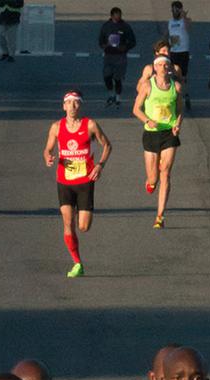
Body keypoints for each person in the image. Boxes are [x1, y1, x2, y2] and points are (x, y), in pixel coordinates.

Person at [43, 90, 111, 278]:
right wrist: (48, 157)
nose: (72, 107)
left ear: (80, 106)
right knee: (67, 221)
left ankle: (82, 221)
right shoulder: (56, 127)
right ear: (63, 106)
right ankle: (77, 263)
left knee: (83, 227)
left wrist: (100, 165)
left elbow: (107, 145)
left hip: (85, 181)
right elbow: (47, 149)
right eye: (69, 103)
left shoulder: (90, 125)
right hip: (64, 181)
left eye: (76, 103)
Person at [133, 55, 183, 229]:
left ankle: (160, 216)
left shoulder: (176, 87)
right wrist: (147, 120)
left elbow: (180, 109)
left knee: (166, 173)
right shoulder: (148, 86)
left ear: (169, 68)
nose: (163, 67)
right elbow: (136, 109)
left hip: (169, 133)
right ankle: (150, 182)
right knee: (154, 177)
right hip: (151, 133)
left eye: (165, 65)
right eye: (159, 64)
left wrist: (177, 124)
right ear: (154, 67)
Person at [99, 7, 136, 108]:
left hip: (120, 56)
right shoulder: (106, 26)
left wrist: (125, 47)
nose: (118, 17)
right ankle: (111, 94)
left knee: (117, 78)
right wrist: (105, 45)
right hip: (109, 56)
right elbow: (100, 41)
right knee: (107, 76)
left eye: (119, 15)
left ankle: (118, 97)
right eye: (116, 15)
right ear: (111, 16)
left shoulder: (125, 27)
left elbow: (133, 41)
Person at [167, 0, 193, 110]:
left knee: (182, 76)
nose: (174, 11)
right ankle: (173, 97)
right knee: (172, 75)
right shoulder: (170, 22)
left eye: (177, 9)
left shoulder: (185, 21)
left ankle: (186, 95)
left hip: (183, 52)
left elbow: (188, 28)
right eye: (173, 9)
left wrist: (183, 16)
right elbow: (167, 34)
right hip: (173, 52)